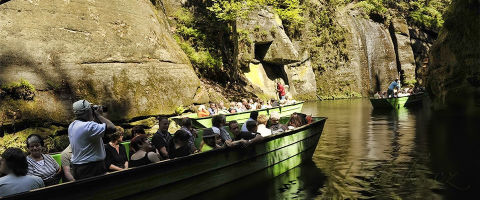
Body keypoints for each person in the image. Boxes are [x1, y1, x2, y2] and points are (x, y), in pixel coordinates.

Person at [68, 99, 116, 180]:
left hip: (79, 167)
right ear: (88, 111)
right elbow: (112, 128)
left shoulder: (72, 125)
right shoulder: (88, 127)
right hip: (91, 168)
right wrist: (99, 115)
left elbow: (93, 128)